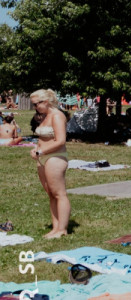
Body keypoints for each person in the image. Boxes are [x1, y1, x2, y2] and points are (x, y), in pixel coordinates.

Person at [30, 89, 71, 238]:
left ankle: (62, 229)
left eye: (36, 104)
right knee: (51, 194)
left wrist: (42, 152)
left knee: (59, 193)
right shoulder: (45, 116)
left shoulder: (57, 116)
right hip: (43, 157)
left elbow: (60, 141)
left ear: (45, 102)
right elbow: (43, 138)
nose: (35, 107)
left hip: (56, 157)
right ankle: (55, 228)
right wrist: (36, 149)